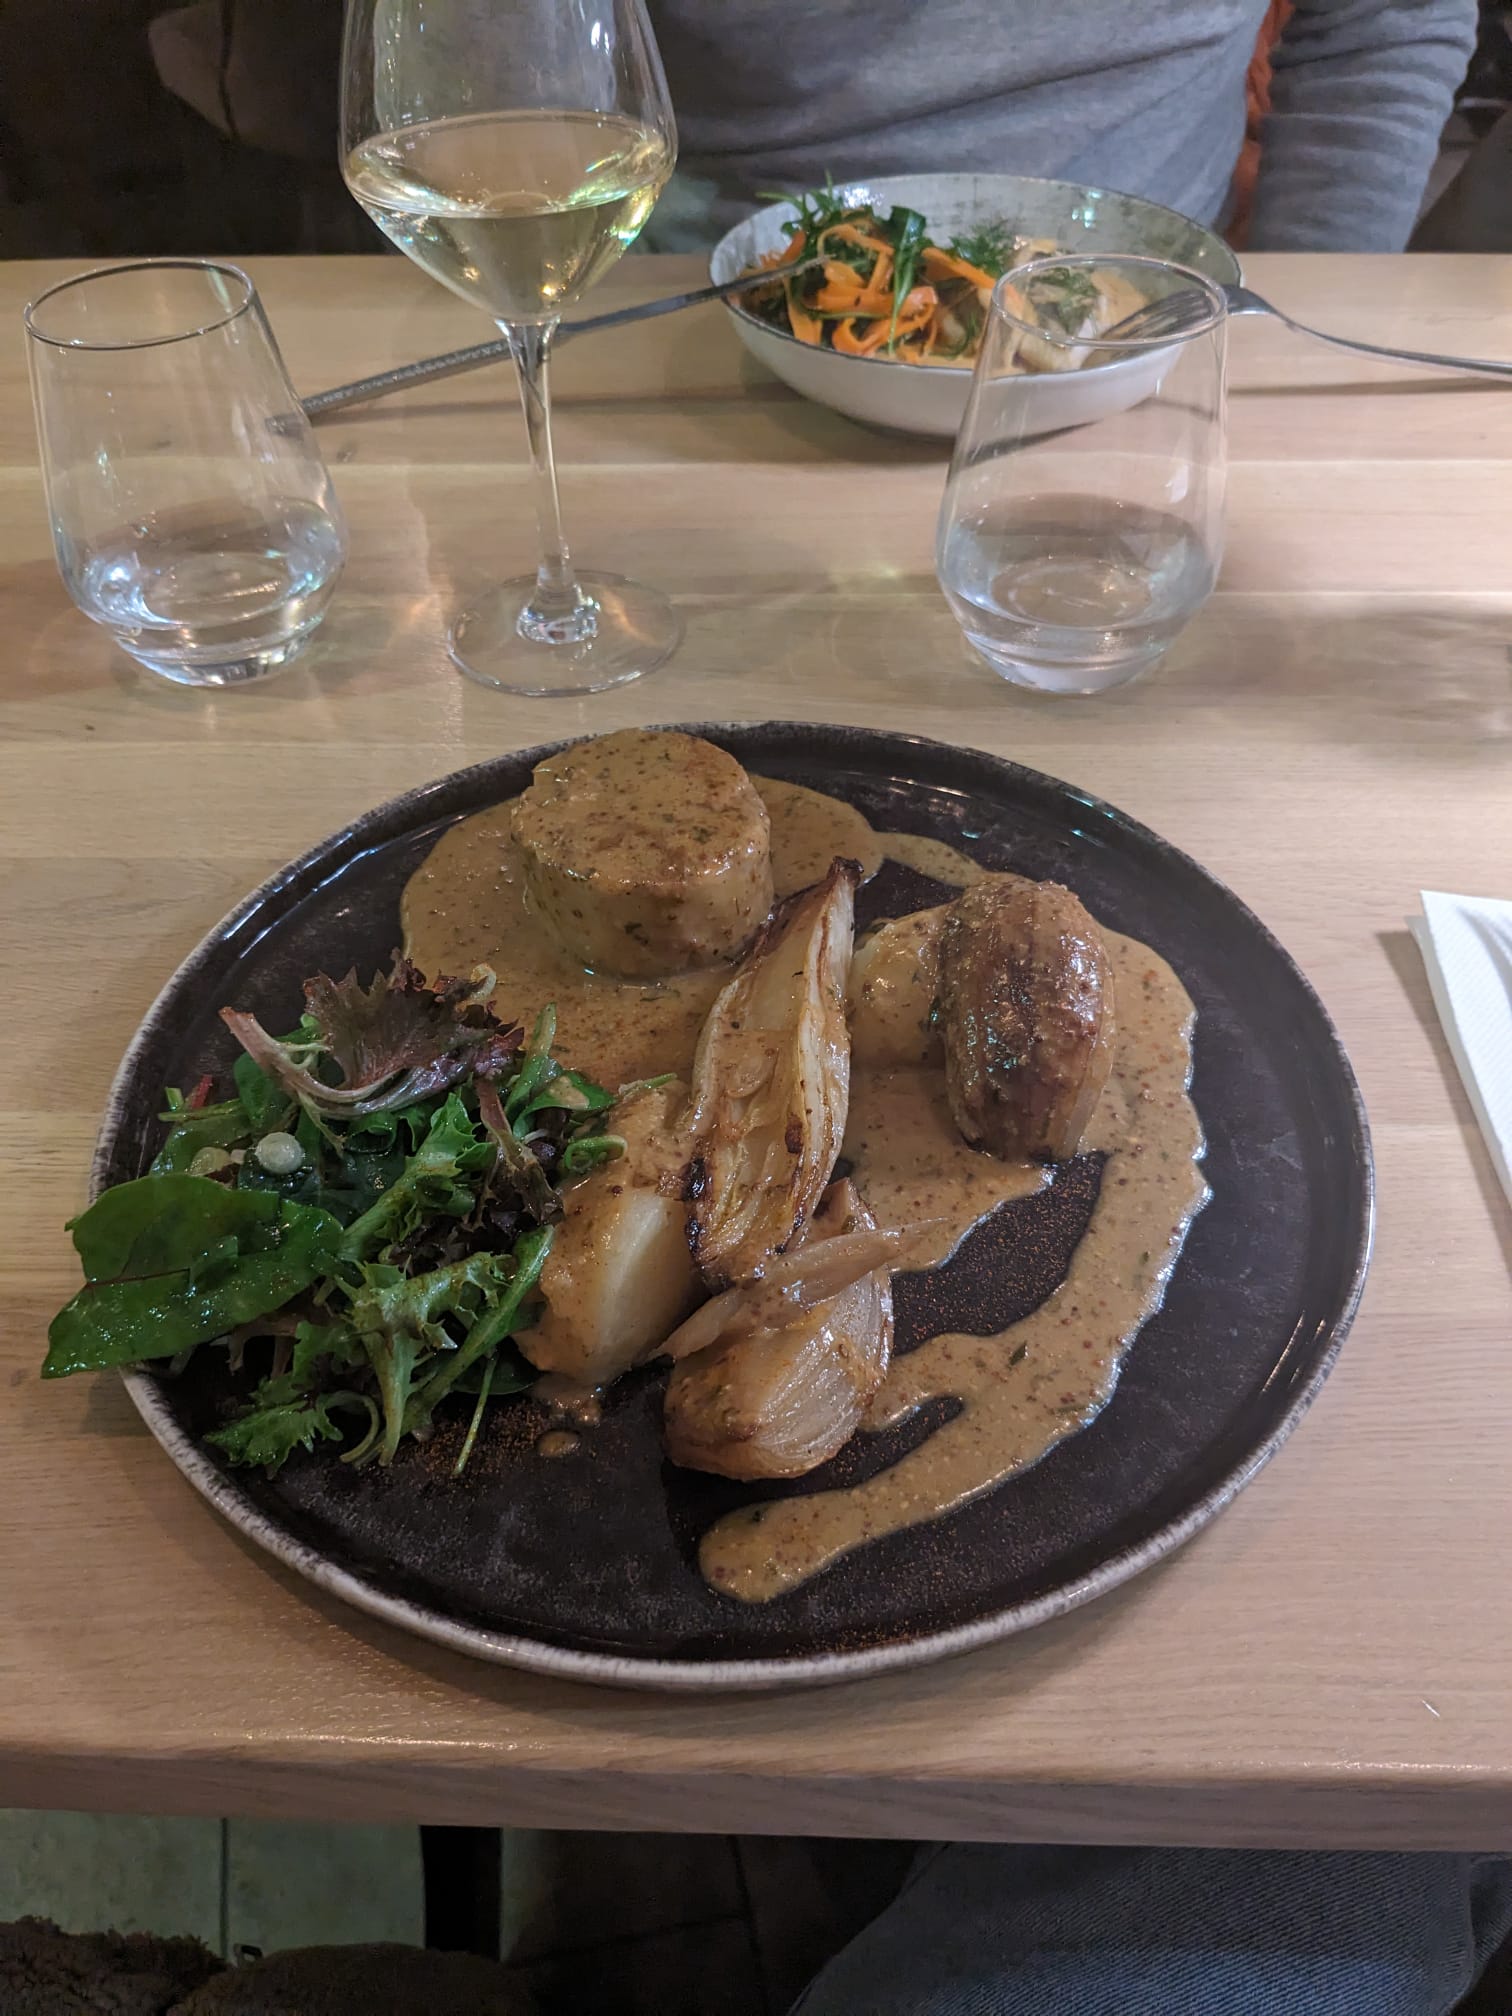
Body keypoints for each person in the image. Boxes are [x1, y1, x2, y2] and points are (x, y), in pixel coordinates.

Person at [137, 0, 1475, 254]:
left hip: (1138, 325)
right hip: (674, 306)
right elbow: (479, 85)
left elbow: (1387, 18)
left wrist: (1294, 310)